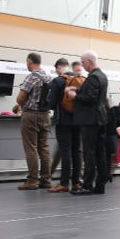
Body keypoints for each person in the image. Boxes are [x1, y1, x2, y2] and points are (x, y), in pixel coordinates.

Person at [69, 51, 109, 195]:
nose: (82, 65)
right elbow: (95, 95)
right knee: (100, 153)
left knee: (89, 153)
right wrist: (79, 90)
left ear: (90, 61)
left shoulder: (93, 77)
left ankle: (87, 185)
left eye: (83, 62)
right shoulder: (102, 76)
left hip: (90, 119)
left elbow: (90, 98)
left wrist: (75, 96)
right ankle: (100, 184)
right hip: (100, 118)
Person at [14, 52, 53, 191]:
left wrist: (21, 104)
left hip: (31, 116)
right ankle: (46, 180)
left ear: (30, 62)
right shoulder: (49, 78)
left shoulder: (31, 77)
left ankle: (32, 181)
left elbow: (20, 99)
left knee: (31, 148)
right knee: (44, 149)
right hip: (45, 116)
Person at [47, 58, 82, 193]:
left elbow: (51, 103)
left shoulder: (57, 81)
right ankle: (77, 182)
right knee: (77, 151)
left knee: (65, 151)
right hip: (78, 120)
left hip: (63, 120)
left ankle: (63, 183)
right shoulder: (79, 79)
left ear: (58, 68)